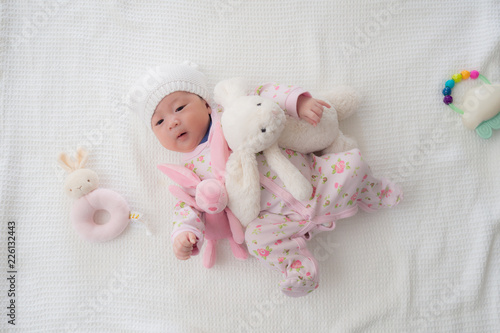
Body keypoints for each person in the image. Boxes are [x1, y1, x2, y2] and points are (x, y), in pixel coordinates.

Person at [128, 61, 402, 297]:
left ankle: (372, 192)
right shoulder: (190, 175)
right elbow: (186, 207)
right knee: (256, 238)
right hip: (276, 220)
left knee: (351, 163)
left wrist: (299, 102)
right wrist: (184, 233)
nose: (172, 122)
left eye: (179, 108)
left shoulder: (235, 112)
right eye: (159, 122)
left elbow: (266, 94)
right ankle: (298, 269)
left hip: (315, 180)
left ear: (206, 104)